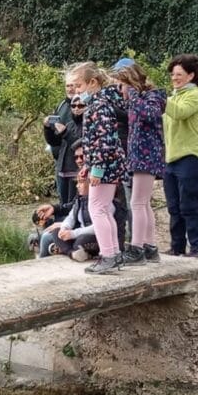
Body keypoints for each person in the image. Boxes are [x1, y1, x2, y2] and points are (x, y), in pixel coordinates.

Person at [71, 61, 130, 274]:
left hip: (105, 166)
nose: (77, 92)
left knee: (97, 209)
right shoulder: (103, 102)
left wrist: (97, 168)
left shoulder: (99, 105)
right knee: (103, 209)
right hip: (109, 164)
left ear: (92, 82)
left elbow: (104, 139)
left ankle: (108, 255)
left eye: (79, 85)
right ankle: (114, 254)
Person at [112, 58, 165, 264]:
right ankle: (150, 247)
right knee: (144, 204)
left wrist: (132, 93)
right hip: (136, 156)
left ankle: (136, 248)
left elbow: (150, 114)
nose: (120, 89)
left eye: (122, 84)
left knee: (138, 203)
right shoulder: (137, 99)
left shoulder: (154, 96)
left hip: (147, 156)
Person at [162, 54, 198, 258]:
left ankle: (197, 248)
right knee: (173, 207)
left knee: (189, 206)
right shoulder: (173, 96)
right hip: (170, 159)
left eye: (179, 74)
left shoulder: (194, 95)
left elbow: (179, 113)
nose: (174, 78)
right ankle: (177, 247)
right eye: (172, 74)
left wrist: (162, 100)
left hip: (188, 158)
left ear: (190, 76)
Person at [39, 167, 97, 262]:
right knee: (56, 232)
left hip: (92, 236)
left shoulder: (98, 202)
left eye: (81, 182)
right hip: (78, 233)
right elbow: (71, 217)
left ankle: (63, 249)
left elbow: (97, 227)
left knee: (80, 241)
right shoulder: (79, 200)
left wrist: (73, 233)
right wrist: (64, 228)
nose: (77, 186)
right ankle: (72, 253)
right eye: (77, 182)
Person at [42, 73, 83, 207]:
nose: (76, 108)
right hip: (61, 165)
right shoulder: (61, 106)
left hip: (77, 167)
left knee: (76, 205)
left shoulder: (89, 116)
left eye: (73, 85)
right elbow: (54, 140)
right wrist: (47, 128)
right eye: (68, 85)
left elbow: (81, 142)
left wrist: (65, 133)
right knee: (63, 204)